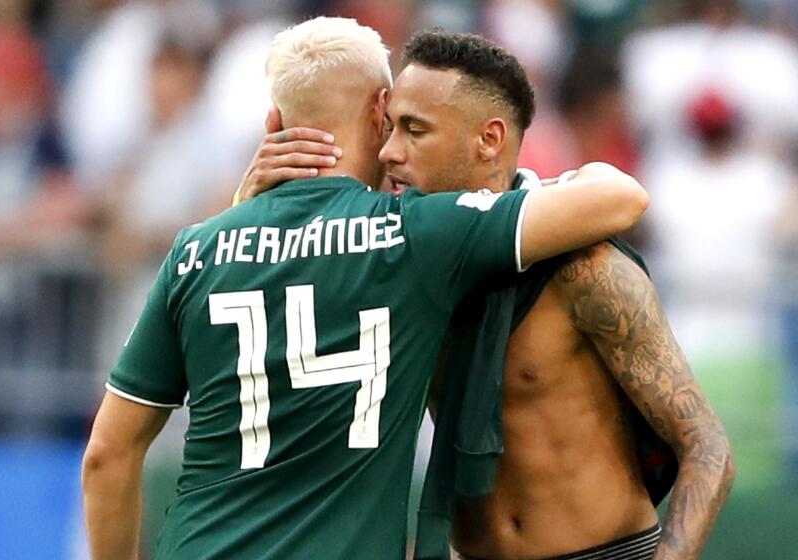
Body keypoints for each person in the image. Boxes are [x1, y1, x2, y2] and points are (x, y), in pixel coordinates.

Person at [81, 18, 650, 560]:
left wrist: (237, 213)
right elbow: (620, 199)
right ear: (382, 112)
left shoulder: (195, 252)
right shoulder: (417, 232)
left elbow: (107, 455)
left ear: (274, 123)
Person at [236, 29, 735, 560]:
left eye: (415, 130)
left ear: (489, 139)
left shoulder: (583, 267)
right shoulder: (390, 261)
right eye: (388, 128)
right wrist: (246, 204)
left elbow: (707, 448)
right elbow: (249, 316)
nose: (389, 152)